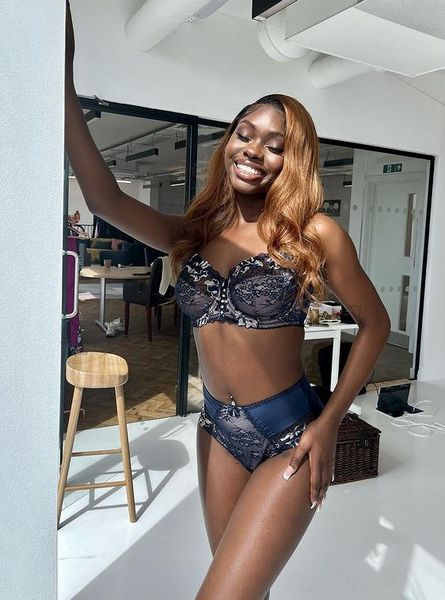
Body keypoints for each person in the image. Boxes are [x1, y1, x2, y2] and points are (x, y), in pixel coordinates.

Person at [65, 4, 390, 598]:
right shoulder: (195, 234)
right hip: (217, 429)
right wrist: (63, 85)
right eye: (245, 134)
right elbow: (105, 199)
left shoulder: (314, 234)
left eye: (275, 145)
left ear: (292, 161)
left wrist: (331, 422)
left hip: (290, 435)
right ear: (229, 140)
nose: (254, 150)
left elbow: (374, 324)